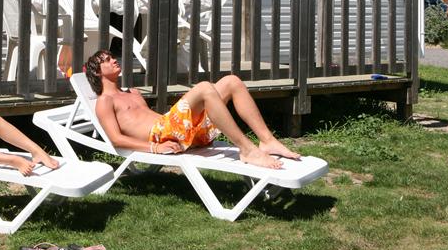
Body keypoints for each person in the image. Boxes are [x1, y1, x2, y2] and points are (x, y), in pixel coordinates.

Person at [83, 50, 299, 169]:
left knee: (232, 81)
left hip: (178, 133)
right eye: (106, 60)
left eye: (112, 57)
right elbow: (115, 139)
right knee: (205, 88)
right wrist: (154, 148)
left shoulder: (133, 92)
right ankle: (248, 151)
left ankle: (267, 141)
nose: (113, 60)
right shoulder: (105, 101)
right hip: (160, 136)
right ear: (98, 73)